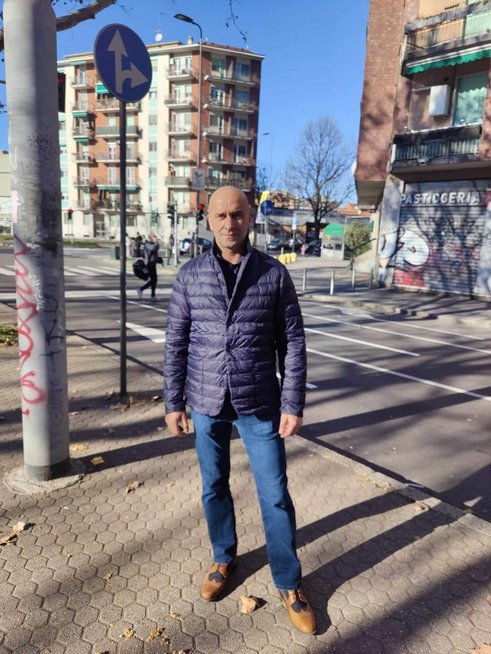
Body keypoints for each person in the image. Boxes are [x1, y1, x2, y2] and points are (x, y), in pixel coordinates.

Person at [163, 186, 316, 634]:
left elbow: (293, 342)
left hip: (260, 401)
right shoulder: (190, 275)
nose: (229, 223)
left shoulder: (273, 273)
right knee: (213, 486)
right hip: (206, 399)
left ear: (250, 217)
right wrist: (173, 402)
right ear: (208, 220)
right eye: (221, 215)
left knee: (274, 493)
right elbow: (176, 342)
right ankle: (223, 557)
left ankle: (288, 581)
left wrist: (293, 402)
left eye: (237, 214)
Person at [137, 233, 160, 301]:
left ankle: (152, 295)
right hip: (149, 264)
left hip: (153, 264)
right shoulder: (147, 244)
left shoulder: (153, 244)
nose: (155, 238)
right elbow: (153, 248)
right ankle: (141, 289)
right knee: (153, 280)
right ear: (150, 238)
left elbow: (156, 249)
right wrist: (156, 242)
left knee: (154, 280)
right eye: (154, 237)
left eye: (155, 236)